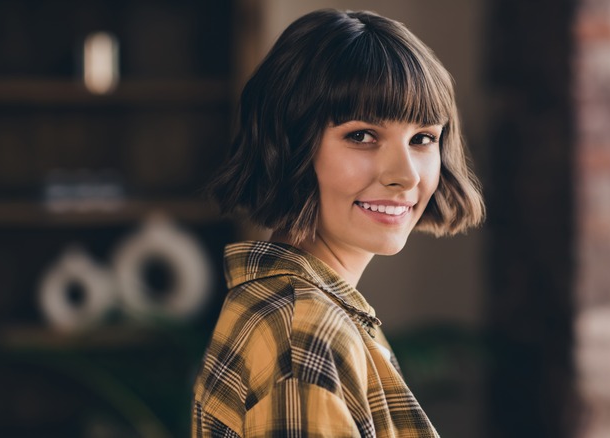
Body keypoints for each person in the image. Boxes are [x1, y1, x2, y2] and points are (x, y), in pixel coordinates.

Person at [192, 8, 485, 437]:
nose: (405, 174)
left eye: (423, 138)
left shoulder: (298, 308)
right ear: (290, 143)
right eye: (362, 136)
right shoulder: (304, 338)